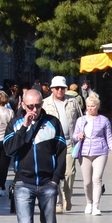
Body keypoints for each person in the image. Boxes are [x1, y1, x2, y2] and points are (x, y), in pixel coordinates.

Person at [3, 88, 66, 223]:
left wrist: (56, 178)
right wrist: (24, 127)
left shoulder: (52, 123)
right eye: (30, 106)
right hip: (23, 183)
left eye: (38, 106)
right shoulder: (14, 124)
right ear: (23, 105)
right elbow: (9, 150)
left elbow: (62, 152)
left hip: (48, 183)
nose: (34, 110)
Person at [73, 94, 112, 216]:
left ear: (97, 106)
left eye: (92, 106)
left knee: (97, 179)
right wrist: (78, 136)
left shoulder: (104, 120)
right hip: (84, 153)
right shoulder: (81, 120)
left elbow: (109, 138)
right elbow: (74, 135)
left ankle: (96, 206)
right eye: (88, 106)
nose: (90, 108)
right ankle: (89, 202)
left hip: (100, 151)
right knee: (87, 181)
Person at [43, 75, 83, 212]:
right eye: (57, 88)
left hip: (70, 143)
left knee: (70, 173)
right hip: (52, 145)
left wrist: (81, 133)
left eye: (62, 88)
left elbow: (81, 119)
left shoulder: (73, 101)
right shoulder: (45, 103)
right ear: (52, 89)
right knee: (55, 173)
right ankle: (58, 202)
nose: (60, 90)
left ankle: (68, 197)